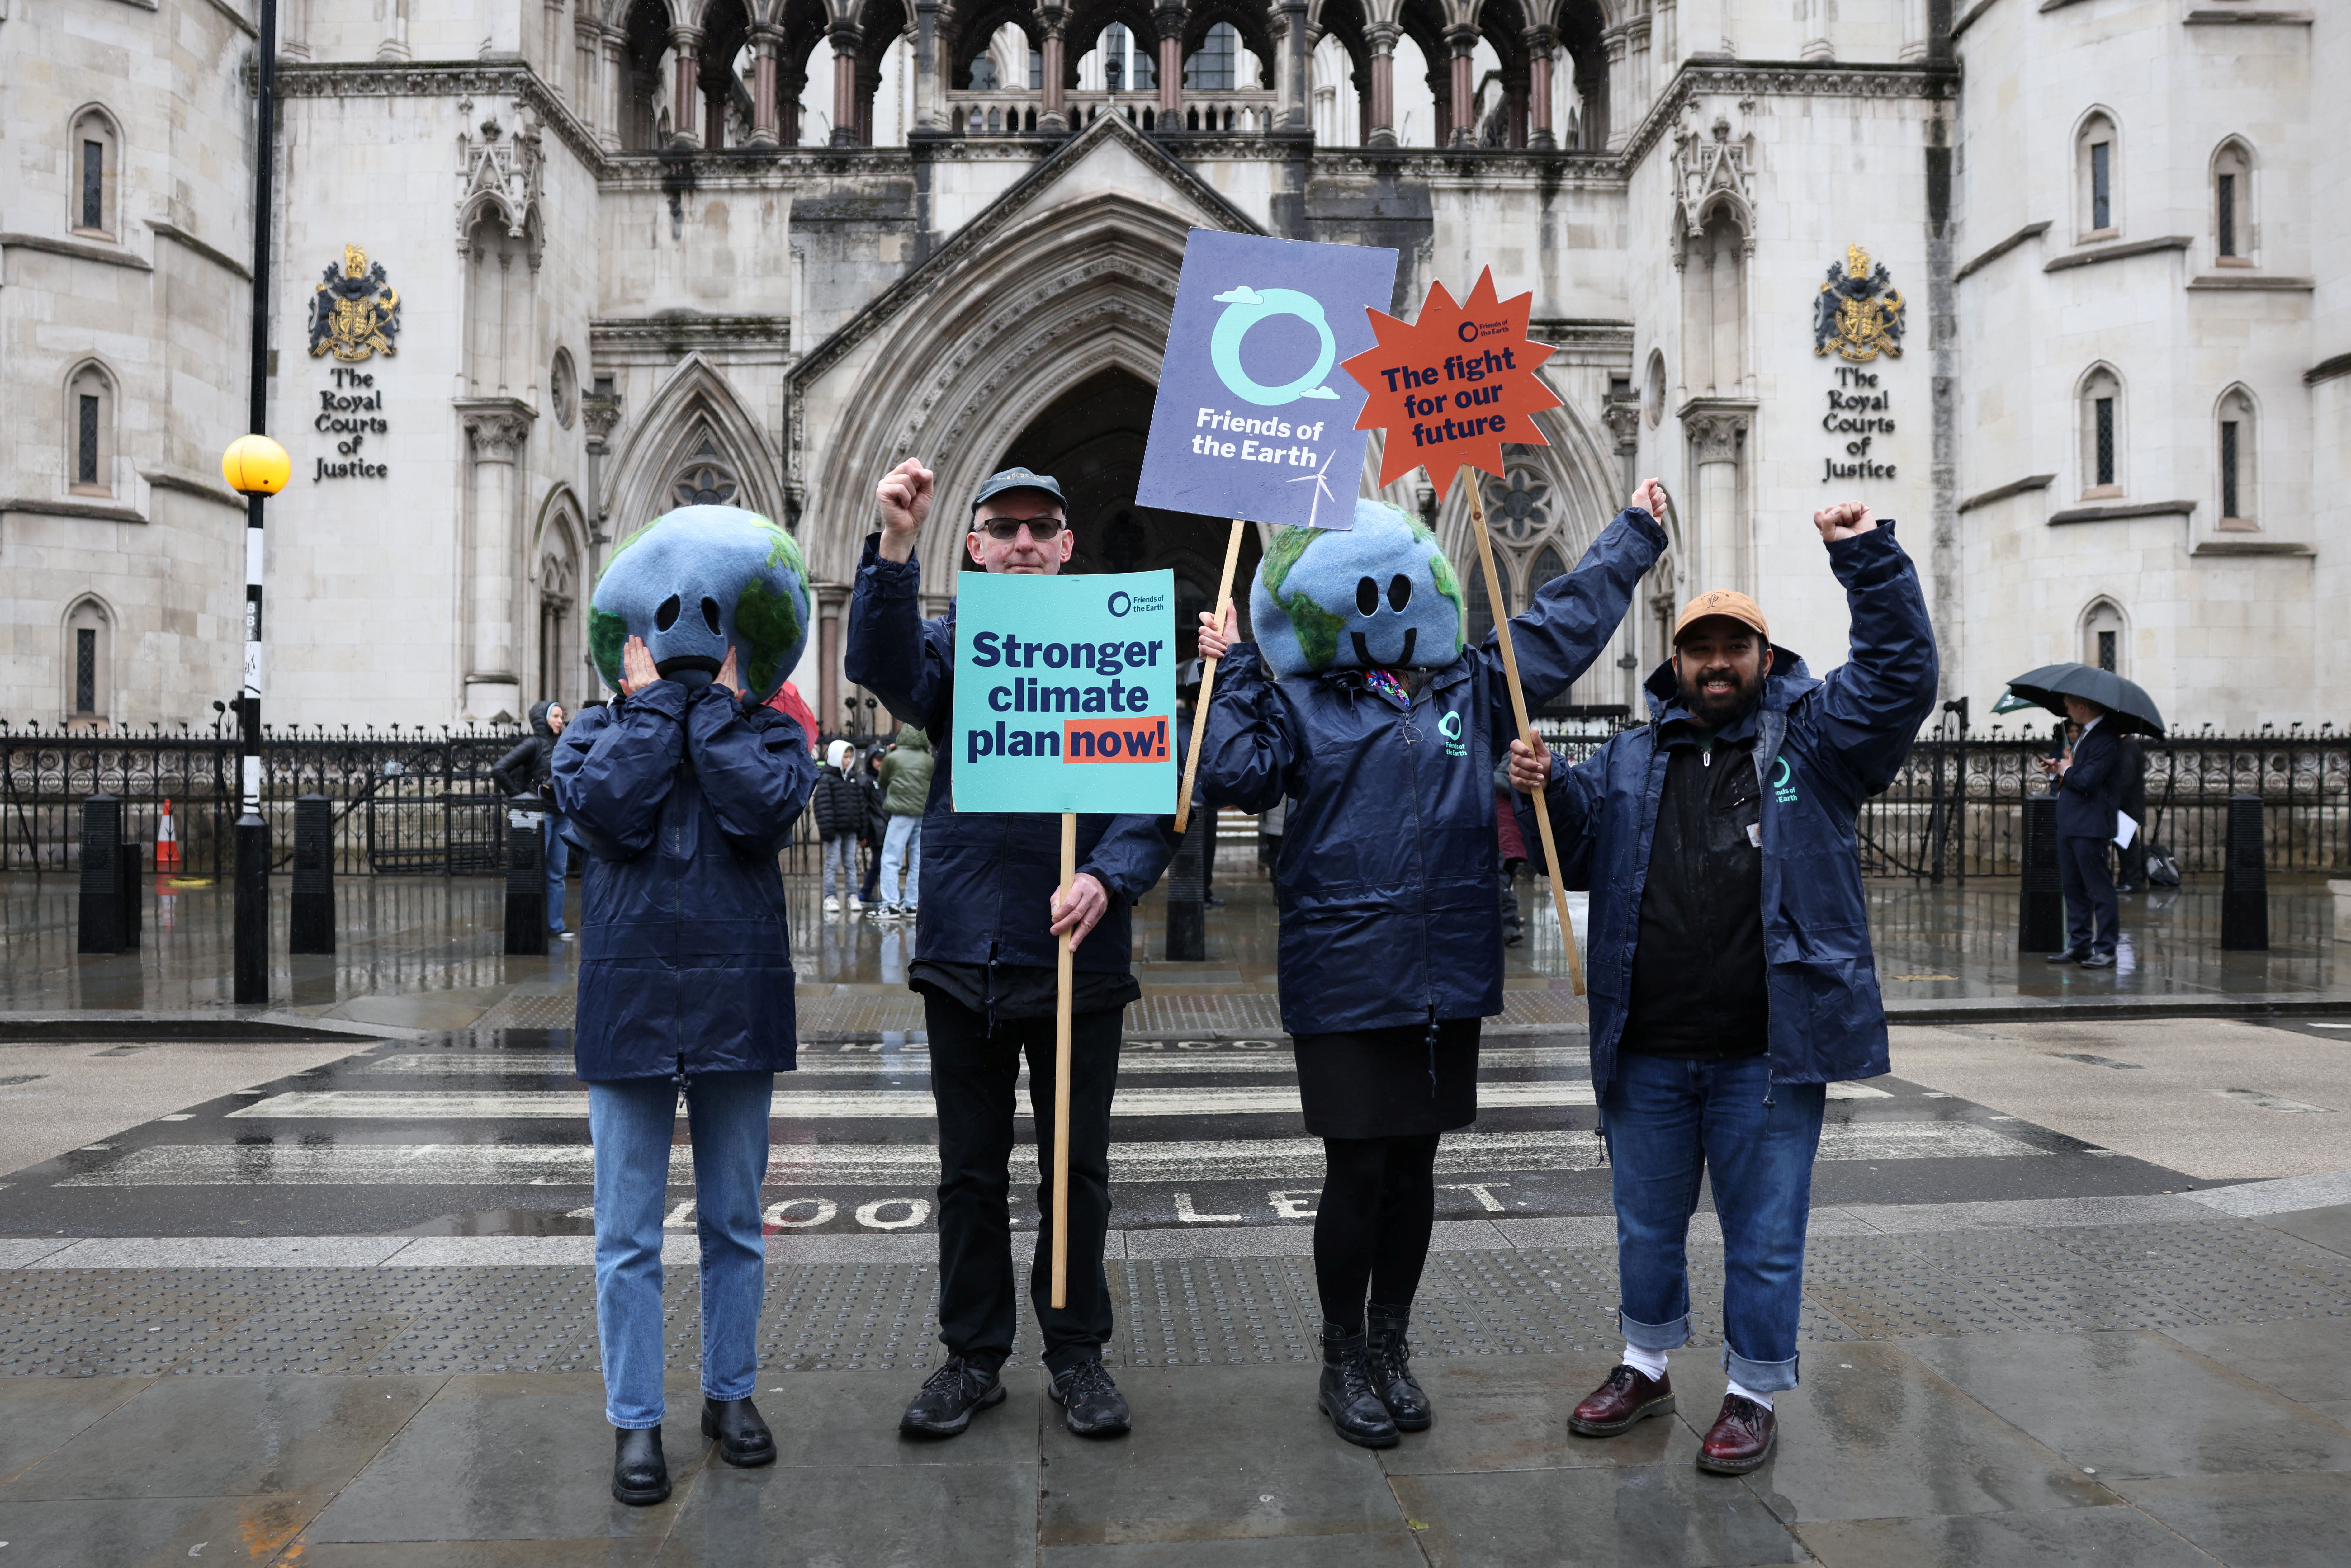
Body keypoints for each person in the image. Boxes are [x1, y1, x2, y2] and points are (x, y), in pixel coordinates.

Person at [1197, 485, 1667, 1449]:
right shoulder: (1296, 696)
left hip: (1442, 963)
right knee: (1357, 1169)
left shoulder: (1470, 682)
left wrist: (1633, 536)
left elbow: (1561, 627)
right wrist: (1240, 666)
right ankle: (1340, 1355)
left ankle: (1388, 1345)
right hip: (1340, 964)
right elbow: (1233, 774)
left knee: (1415, 1168)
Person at [1507, 500, 1935, 1476]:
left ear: (1760, 655)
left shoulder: (1816, 744)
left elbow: (1900, 677)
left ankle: (1749, 1389)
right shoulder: (1624, 758)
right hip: (1647, 1046)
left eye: (1730, 646)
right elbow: (1569, 846)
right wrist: (1534, 777)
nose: (1713, 662)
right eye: (1696, 646)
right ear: (1674, 661)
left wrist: (1863, 558)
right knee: (1644, 1221)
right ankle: (1643, 1363)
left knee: (1765, 1232)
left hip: (1766, 1051)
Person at [845, 460, 1179, 1440]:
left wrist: (1105, 875)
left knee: (1075, 1169)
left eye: (1042, 528)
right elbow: (880, 665)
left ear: (1069, 545)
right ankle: (972, 1355)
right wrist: (893, 547)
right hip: (966, 950)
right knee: (968, 1173)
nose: (1024, 542)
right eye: (1005, 528)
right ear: (975, 546)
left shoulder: (1116, 645)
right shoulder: (949, 648)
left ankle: (1076, 1355)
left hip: (1080, 952)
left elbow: (1149, 798)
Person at [550, 503, 817, 1507]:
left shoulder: (771, 737)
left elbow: (757, 811)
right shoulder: (590, 735)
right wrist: (660, 707)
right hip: (626, 1002)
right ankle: (634, 1419)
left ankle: (730, 1392)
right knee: (625, 1232)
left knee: (736, 1219)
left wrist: (706, 709)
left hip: (735, 999)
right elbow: (607, 811)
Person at [2042, 693, 2124, 966]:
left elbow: (2088, 781)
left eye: (2068, 705)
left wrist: (2067, 771)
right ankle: (2079, 944)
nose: (2065, 710)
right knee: (2074, 888)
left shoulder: (2106, 737)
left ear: (2082, 706)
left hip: (2090, 824)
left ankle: (2107, 948)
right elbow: (2079, 772)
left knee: (2099, 889)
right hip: (2072, 822)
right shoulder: (2089, 734)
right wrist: (2059, 769)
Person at [492, 699, 572, 939]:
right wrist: (521, 798)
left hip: (562, 814)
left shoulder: (564, 743)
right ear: (543, 719)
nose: (561, 721)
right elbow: (499, 769)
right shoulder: (534, 744)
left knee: (557, 873)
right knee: (535, 871)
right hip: (541, 815)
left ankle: (555, 926)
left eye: (562, 717)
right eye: (556, 717)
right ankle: (533, 925)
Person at [875, 721, 933, 918]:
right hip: (921, 813)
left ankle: (891, 904)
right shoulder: (928, 760)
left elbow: (882, 781)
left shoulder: (893, 758)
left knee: (891, 858)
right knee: (917, 860)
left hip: (900, 813)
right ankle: (912, 904)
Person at [811, 738, 867, 914]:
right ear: (837, 757)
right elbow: (822, 805)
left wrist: (862, 829)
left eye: (851, 757)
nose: (848, 761)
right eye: (845, 757)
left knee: (851, 864)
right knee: (832, 864)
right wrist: (827, 831)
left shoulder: (852, 779)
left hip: (850, 830)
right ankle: (830, 897)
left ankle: (852, 896)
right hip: (834, 831)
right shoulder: (827, 778)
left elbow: (860, 805)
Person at [2115, 734, 2149, 894]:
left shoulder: (2127, 745)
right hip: (2127, 804)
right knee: (2124, 842)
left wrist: (2116, 800)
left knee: (2128, 844)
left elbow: (2126, 777)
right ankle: (2126, 879)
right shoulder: (2126, 745)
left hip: (2127, 805)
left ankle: (2133, 881)